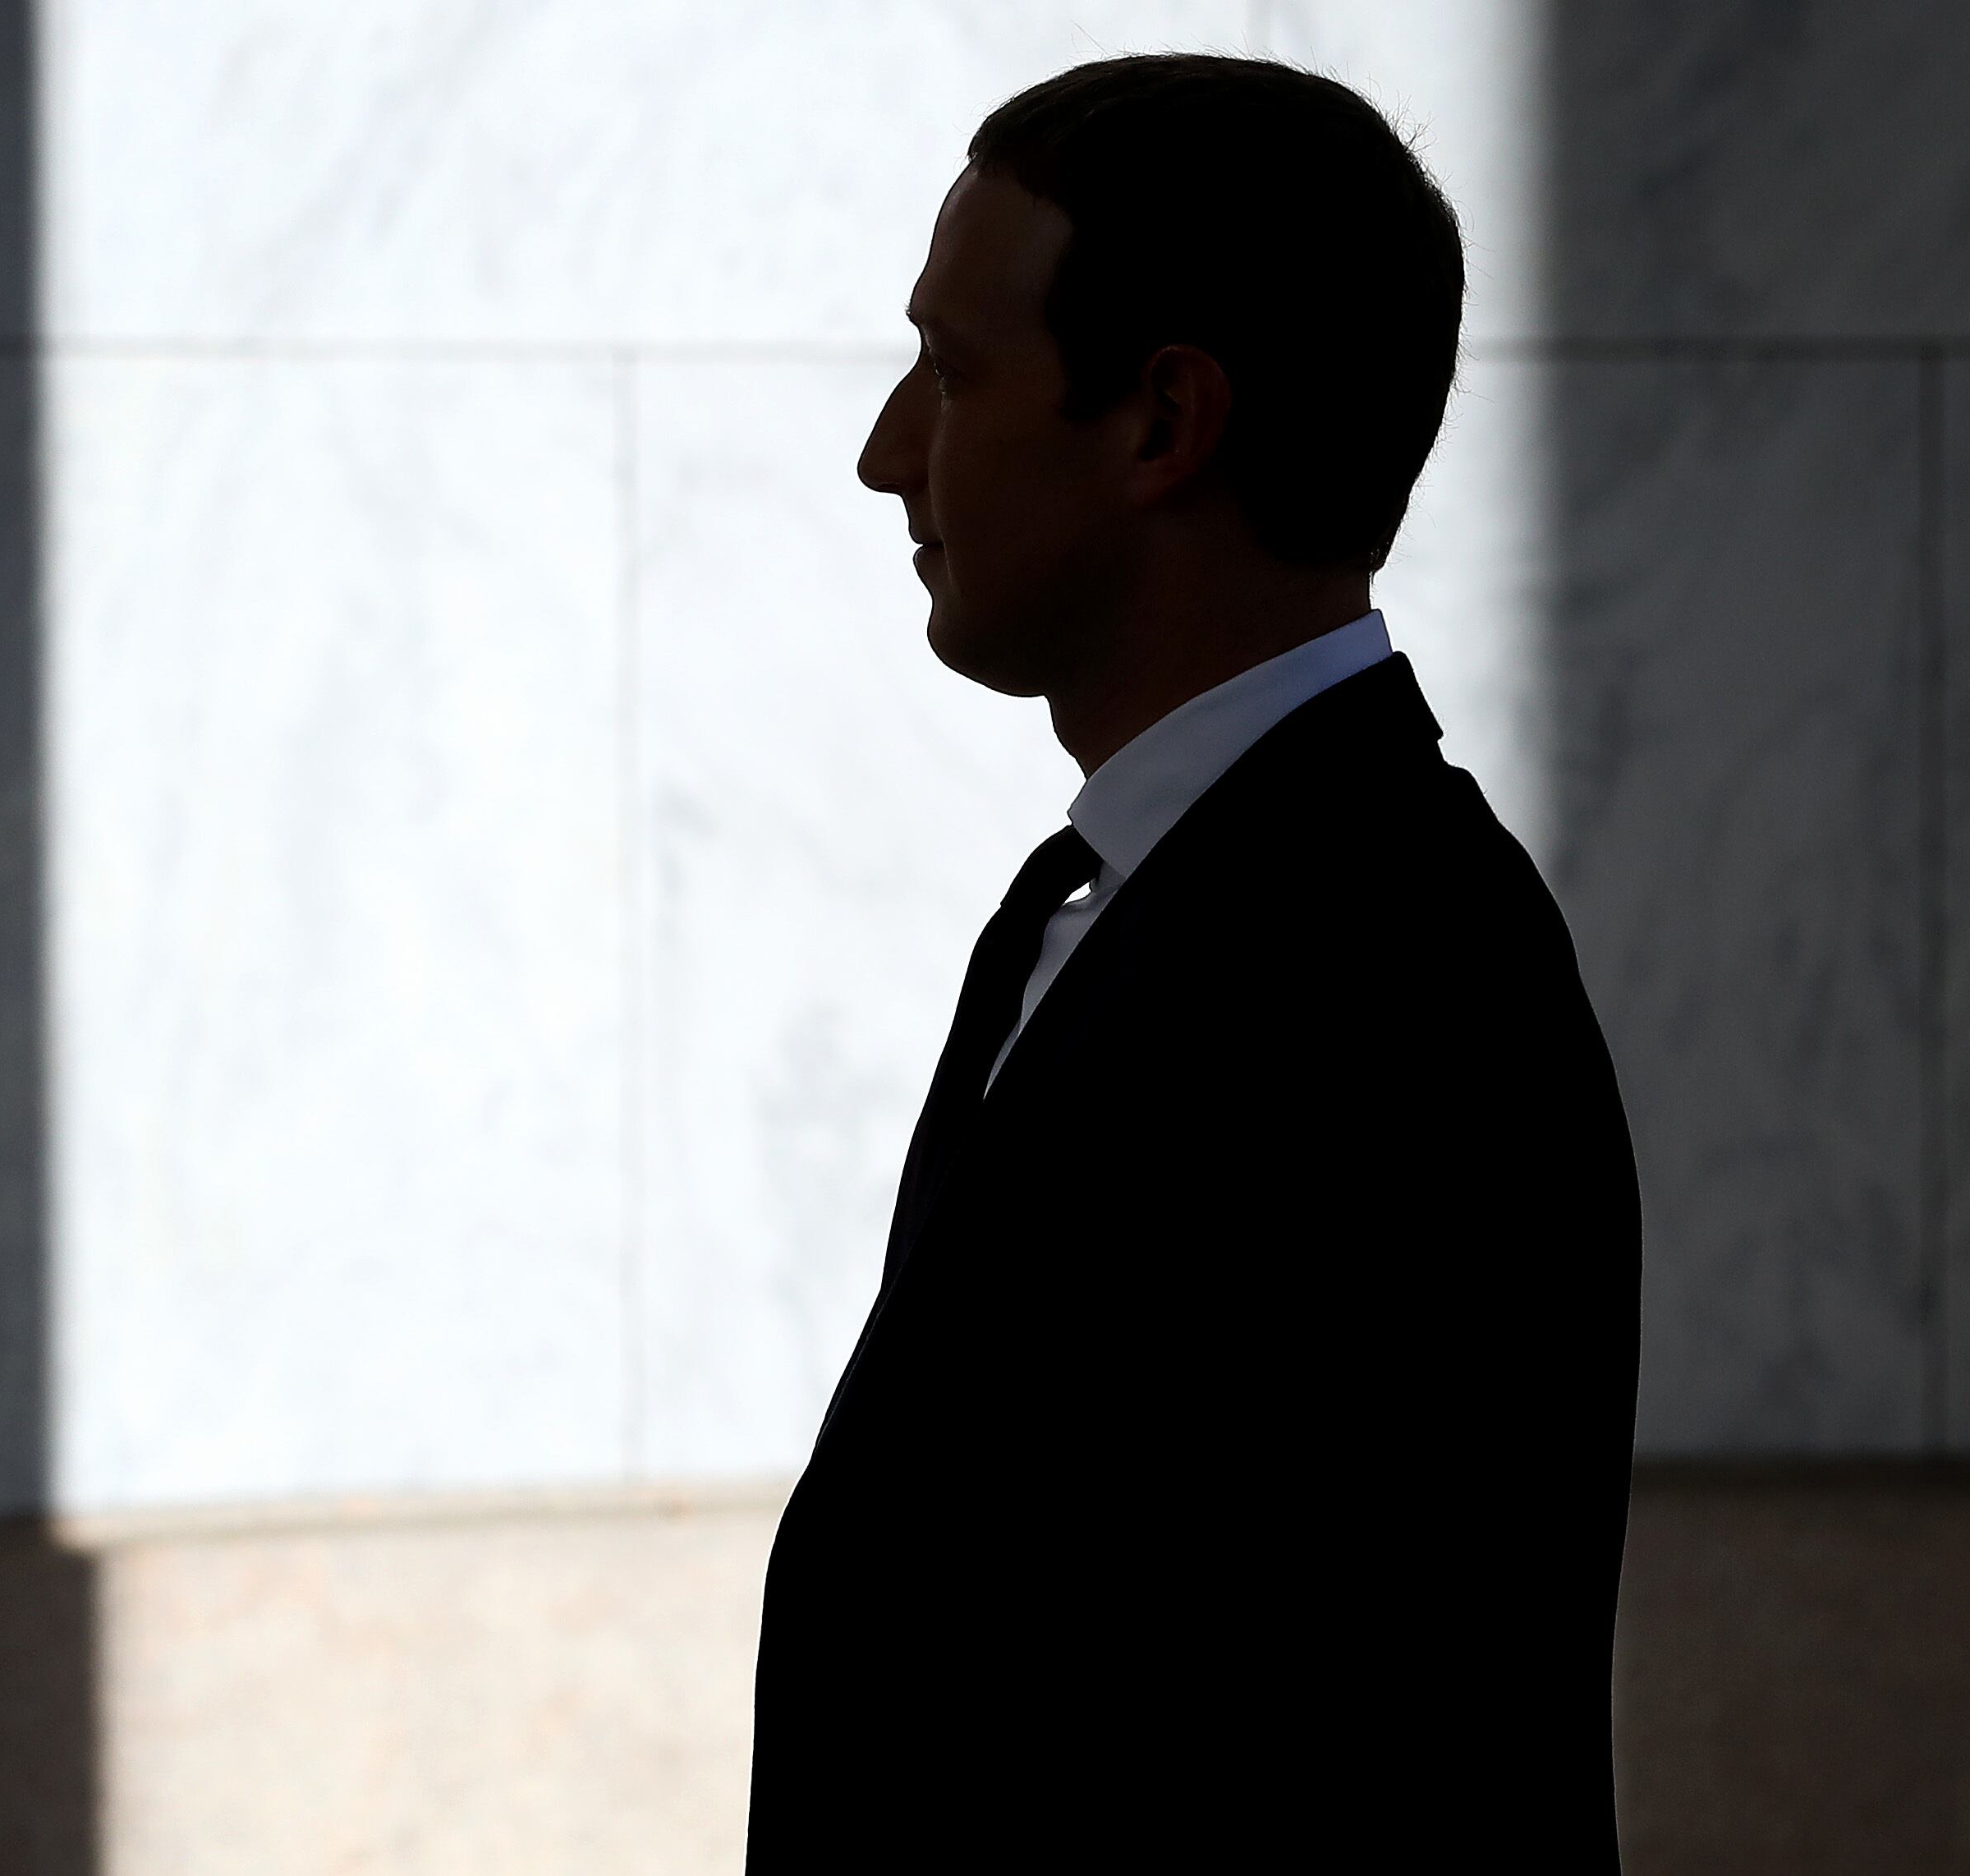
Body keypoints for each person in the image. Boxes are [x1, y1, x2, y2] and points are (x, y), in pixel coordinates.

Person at [746, 54, 1640, 1869]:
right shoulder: (1103, 905)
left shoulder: (1401, 972)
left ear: (1163, 422)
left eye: (952, 367)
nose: (886, 450)